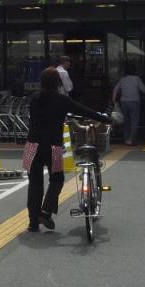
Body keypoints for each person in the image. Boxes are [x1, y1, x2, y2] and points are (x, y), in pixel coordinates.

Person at [23, 66, 110, 232]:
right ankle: (46, 211)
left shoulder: (34, 98)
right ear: (57, 82)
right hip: (52, 146)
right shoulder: (61, 100)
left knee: (34, 183)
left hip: (32, 145)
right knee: (57, 179)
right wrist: (106, 119)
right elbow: (84, 111)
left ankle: (33, 223)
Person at [112, 62, 145, 145]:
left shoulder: (122, 79)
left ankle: (126, 138)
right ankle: (131, 139)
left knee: (126, 121)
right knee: (134, 121)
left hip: (124, 102)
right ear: (134, 70)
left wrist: (114, 101)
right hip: (135, 102)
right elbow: (144, 90)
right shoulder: (136, 79)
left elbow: (115, 90)